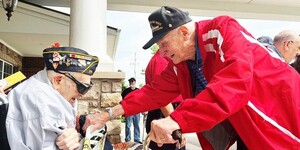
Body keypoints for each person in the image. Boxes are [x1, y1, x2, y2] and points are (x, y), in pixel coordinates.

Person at [88, 6, 300, 149]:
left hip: (283, 113)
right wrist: (108, 114)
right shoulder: (180, 66)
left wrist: (176, 120)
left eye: (163, 44)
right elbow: (152, 93)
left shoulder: (222, 29)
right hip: (249, 128)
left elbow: (235, 81)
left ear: (183, 33)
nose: (160, 52)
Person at [6, 46, 99, 149]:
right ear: (58, 80)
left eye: (88, 87)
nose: (83, 94)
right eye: (82, 87)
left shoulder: (42, 83)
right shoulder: (43, 104)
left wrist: (73, 136)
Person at [145, 49, 186, 150]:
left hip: (169, 113)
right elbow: (162, 99)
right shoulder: (160, 61)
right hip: (165, 114)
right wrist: (177, 127)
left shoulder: (168, 59)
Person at [121, 77, 142, 144]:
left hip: (136, 111)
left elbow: (141, 100)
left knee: (137, 125)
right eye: (130, 82)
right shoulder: (126, 91)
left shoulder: (138, 90)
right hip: (128, 110)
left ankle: (137, 139)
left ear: (135, 82)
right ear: (129, 83)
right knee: (128, 125)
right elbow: (123, 100)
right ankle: (128, 139)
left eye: (133, 82)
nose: (132, 83)